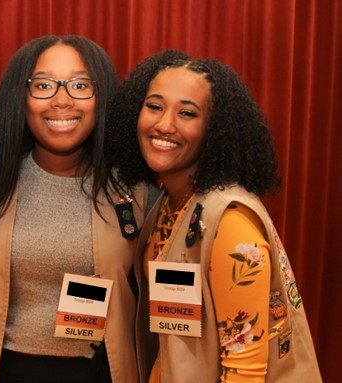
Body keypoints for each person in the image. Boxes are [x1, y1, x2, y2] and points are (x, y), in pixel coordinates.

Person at [104, 50, 322, 382]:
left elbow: (244, 371)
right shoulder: (169, 204)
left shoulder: (231, 223)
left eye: (187, 113)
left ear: (215, 129)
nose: (164, 124)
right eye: (154, 106)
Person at [0, 35, 147, 383]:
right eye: (44, 85)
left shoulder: (135, 190)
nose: (62, 100)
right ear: (22, 97)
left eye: (80, 85)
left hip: (104, 371)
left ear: (102, 96)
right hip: (10, 371)